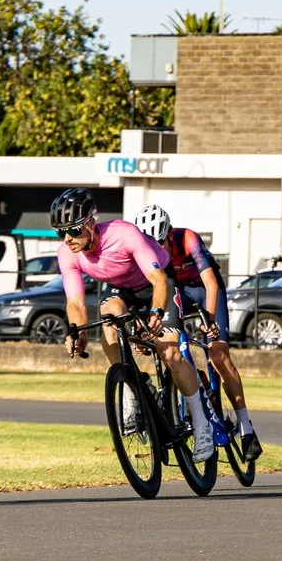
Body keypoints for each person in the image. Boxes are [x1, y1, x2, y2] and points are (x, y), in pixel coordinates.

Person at [49, 188, 205, 452]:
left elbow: (158, 280)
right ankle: (131, 387)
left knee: (170, 352)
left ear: (90, 223)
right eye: (60, 232)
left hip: (156, 281)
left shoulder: (123, 235)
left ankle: (202, 426)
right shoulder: (67, 253)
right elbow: (75, 302)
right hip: (122, 289)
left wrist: (156, 312)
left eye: (73, 230)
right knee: (108, 317)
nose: (67, 238)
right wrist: (78, 333)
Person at [133, 202, 260, 459]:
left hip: (204, 289)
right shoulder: (147, 254)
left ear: (169, 234)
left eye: (161, 243)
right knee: (169, 343)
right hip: (177, 290)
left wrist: (210, 320)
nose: (158, 251)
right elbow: (150, 294)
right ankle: (189, 393)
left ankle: (246, 427)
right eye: (151, 246)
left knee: (218, 354)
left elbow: (211, 282)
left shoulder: (187, 238)